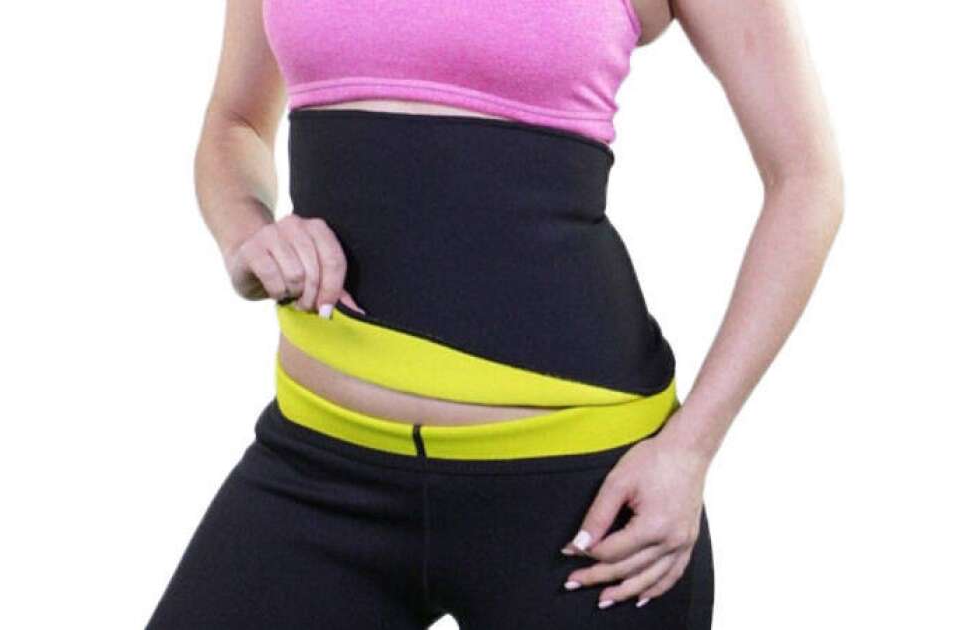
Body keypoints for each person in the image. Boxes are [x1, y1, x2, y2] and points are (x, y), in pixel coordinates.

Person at [146, 0, 842, 627]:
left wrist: (690, 449)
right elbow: (236, 123)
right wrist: (246, 230)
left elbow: (806, 181)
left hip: (585, 497)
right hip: (317, 466)